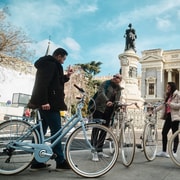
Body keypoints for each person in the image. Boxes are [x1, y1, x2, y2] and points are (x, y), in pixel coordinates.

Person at [28, 47, 73, 171]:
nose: (63, 61)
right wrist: (44, 101)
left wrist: (67, 76)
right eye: (63, 59)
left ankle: (36, 161)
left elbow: (56, 82)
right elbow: (42, 83)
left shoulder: (51, 65)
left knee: (39, 133)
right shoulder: (51, 65)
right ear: (58, 56)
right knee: (57, 132)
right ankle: (60, 161)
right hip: (49, 104)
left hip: (48, 103)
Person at [90, 74, 123, 161]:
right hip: (99, 109)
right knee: (96, 129)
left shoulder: (119, 89)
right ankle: (94, 151)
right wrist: (107, 100)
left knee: (104, 130)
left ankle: (100, 150)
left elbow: (117, 100)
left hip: (109, 112)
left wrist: (120, 106)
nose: (115, 78)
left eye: (117, 77)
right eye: (114, 76)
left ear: (120, 80)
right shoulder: (106, 83)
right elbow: (101, 93)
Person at [155, 82, 180, 158]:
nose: (167, 88)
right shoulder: (168, 96)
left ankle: (174, 151)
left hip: (175, 117)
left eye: (168, 86)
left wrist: (170, 104)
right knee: (164, 132)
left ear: (172, 87)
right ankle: (164, 151)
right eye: (167, 86)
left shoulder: (177, 94)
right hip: (169, 116)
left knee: (174, 134)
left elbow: (179, 105)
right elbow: (163, 105)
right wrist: (154, 110)